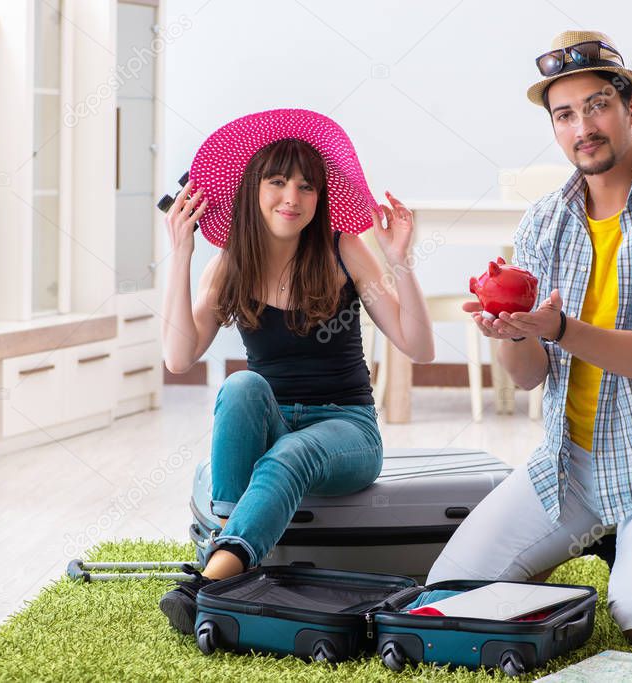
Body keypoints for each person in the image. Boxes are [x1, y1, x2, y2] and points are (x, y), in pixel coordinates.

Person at [427, 31, 632, 646]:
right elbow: (528, 376)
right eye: (565, 115)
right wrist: (513, 333)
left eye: (598, 105)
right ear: (554, 127)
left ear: (631, 108)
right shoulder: (545, 220)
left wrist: (561, 328)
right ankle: (609, 540)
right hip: (567, 462)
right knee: (451, 598)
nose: (584, 127)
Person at [158, 109, 434, 635]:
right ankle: (238, 566)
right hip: (273, 422)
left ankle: (210, 581)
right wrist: (181, 253)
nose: (292, 196)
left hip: (346, 429)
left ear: (319, 197)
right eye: (278, 181)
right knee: (241, 385)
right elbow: (177, 357)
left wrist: (402, 259)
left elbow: (418, 347)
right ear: (252, 189)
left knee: (290, 453)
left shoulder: (342, 247)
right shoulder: (230, 262)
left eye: (307, 186)